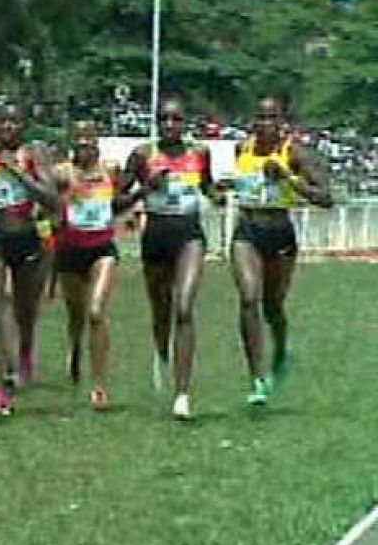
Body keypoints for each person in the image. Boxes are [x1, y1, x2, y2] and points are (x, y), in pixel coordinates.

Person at [229, 95, 332, 406]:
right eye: (261, 118)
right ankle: (257, 378)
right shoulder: (242, 148)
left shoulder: (295, 152)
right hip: (247, 231)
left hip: (280, 234)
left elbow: (325, 197)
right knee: (249, 298)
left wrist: (288, 177)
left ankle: (283, 349)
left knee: (272, 305)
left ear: (283, 123)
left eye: (273, 118)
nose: (266, 125)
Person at [124, 97, 211, 420]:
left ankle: (183, 393)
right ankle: (161, 356)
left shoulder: (199, 153)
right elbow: (116, 201)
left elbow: (208, 187)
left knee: (184, 307)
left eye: (176, 119)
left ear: (185, 123)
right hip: (156, 238)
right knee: (161, 311)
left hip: (190, 236)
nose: (170, 126)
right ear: (156, 122)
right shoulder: (143, 155)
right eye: (164, 120)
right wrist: (145, 189)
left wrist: (224, 192)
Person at [0, 101, 56, 416]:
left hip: (25, 237)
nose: (8, 128)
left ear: (24, 126)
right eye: (3, 122)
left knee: (25, 312)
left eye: (14, 122)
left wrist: (20, 173)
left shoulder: (34, 153)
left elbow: (51, 199)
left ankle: (23, 356)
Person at [53, 118, 137, 410]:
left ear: (97, 140)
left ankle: (99, 385)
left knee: (96, 312)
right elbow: (49, 203)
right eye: (78, 137)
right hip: (69, 250)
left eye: (89, 136)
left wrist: (141, 194)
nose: (84, 142)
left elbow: (119, 203)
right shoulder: (62, 172)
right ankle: (76, 349)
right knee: (76, 315)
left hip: (102, 249)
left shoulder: (110, 170)